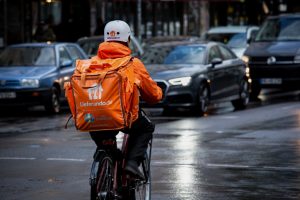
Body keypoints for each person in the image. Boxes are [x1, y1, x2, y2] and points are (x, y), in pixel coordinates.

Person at [89, 20, 162, 178]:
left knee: (106, 142)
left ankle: (109, 157)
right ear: (128, 40)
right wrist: (159, 94)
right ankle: (132, 164)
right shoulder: (133, 64)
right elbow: (153, 95)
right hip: (124, 117)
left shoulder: (92, 63)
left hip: (92, 118)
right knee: (146, 128)